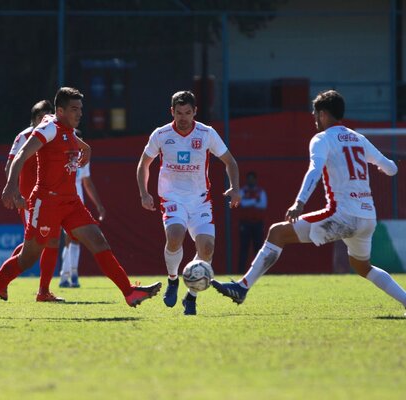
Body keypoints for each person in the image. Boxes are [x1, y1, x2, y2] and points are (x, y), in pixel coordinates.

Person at [0, 87, 161, 318]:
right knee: (28, 257)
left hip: (71, 202)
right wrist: (11, 186)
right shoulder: (48, 128)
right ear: (60, 110)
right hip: (46, 203)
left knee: (98, 241)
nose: (79, 113)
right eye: (74, 109)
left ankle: (128, 292)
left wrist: (86, 147)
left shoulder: (66, 128)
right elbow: (21, 155)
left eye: (81, 108)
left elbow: (70, 138)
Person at [212, 90, 406, 313]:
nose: (314, 118)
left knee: (277, 233)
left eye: (315, 114)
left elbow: (315, 170)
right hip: (367, 217)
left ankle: (242, 287)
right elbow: (392, 169)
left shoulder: (322, 139)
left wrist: (299, 202)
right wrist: (379, 165)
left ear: (323, 114)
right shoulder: (358, 138)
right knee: (363, 267)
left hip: (342, 215)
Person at [137, 90, 241, 316]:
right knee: (175, 237)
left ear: (195, 112)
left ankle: (190, 297)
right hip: (172, 197)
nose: (183, 117)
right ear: (171, 112)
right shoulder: (161, 134)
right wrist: (144, 193)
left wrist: (235, 187)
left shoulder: (206, 133)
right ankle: (173, 279)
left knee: (207, 248)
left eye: (187, 112)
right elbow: (144, 164)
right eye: (178, 112)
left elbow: (230, 162)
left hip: (200, 201)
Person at [0, 99, 66, 302]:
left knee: (51, 240)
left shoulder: (55, 135)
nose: (46, 120)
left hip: (50, 199)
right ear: (35, 119)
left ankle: (43, 291)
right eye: (41, 117)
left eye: (49, 116)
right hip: (29, 199)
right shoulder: (24, 136)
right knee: (36, 242)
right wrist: (15, 193)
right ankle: (1, 284)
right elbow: (10, 165)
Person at [59, 130, 106, 288]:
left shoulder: (83, 156)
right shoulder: (61, 154)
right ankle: (65, 275)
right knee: (67, 238)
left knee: (77, 238)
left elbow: (87, 182)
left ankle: (72, 275)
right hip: (63, 200)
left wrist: (98, 204)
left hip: (78, 202)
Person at [237, 171, 267, 272]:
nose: (250, 181)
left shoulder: (260, 191)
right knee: (244, 249)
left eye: (252, 179)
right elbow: (242, 203)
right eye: (249, 179)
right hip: (245, 223)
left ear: (255, 180)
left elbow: (262, 205)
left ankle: (258, 271)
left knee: (258, 249)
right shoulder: (243, 191)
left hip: (257, 224)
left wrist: (251, 202)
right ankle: (240, 272)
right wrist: (254, 201)